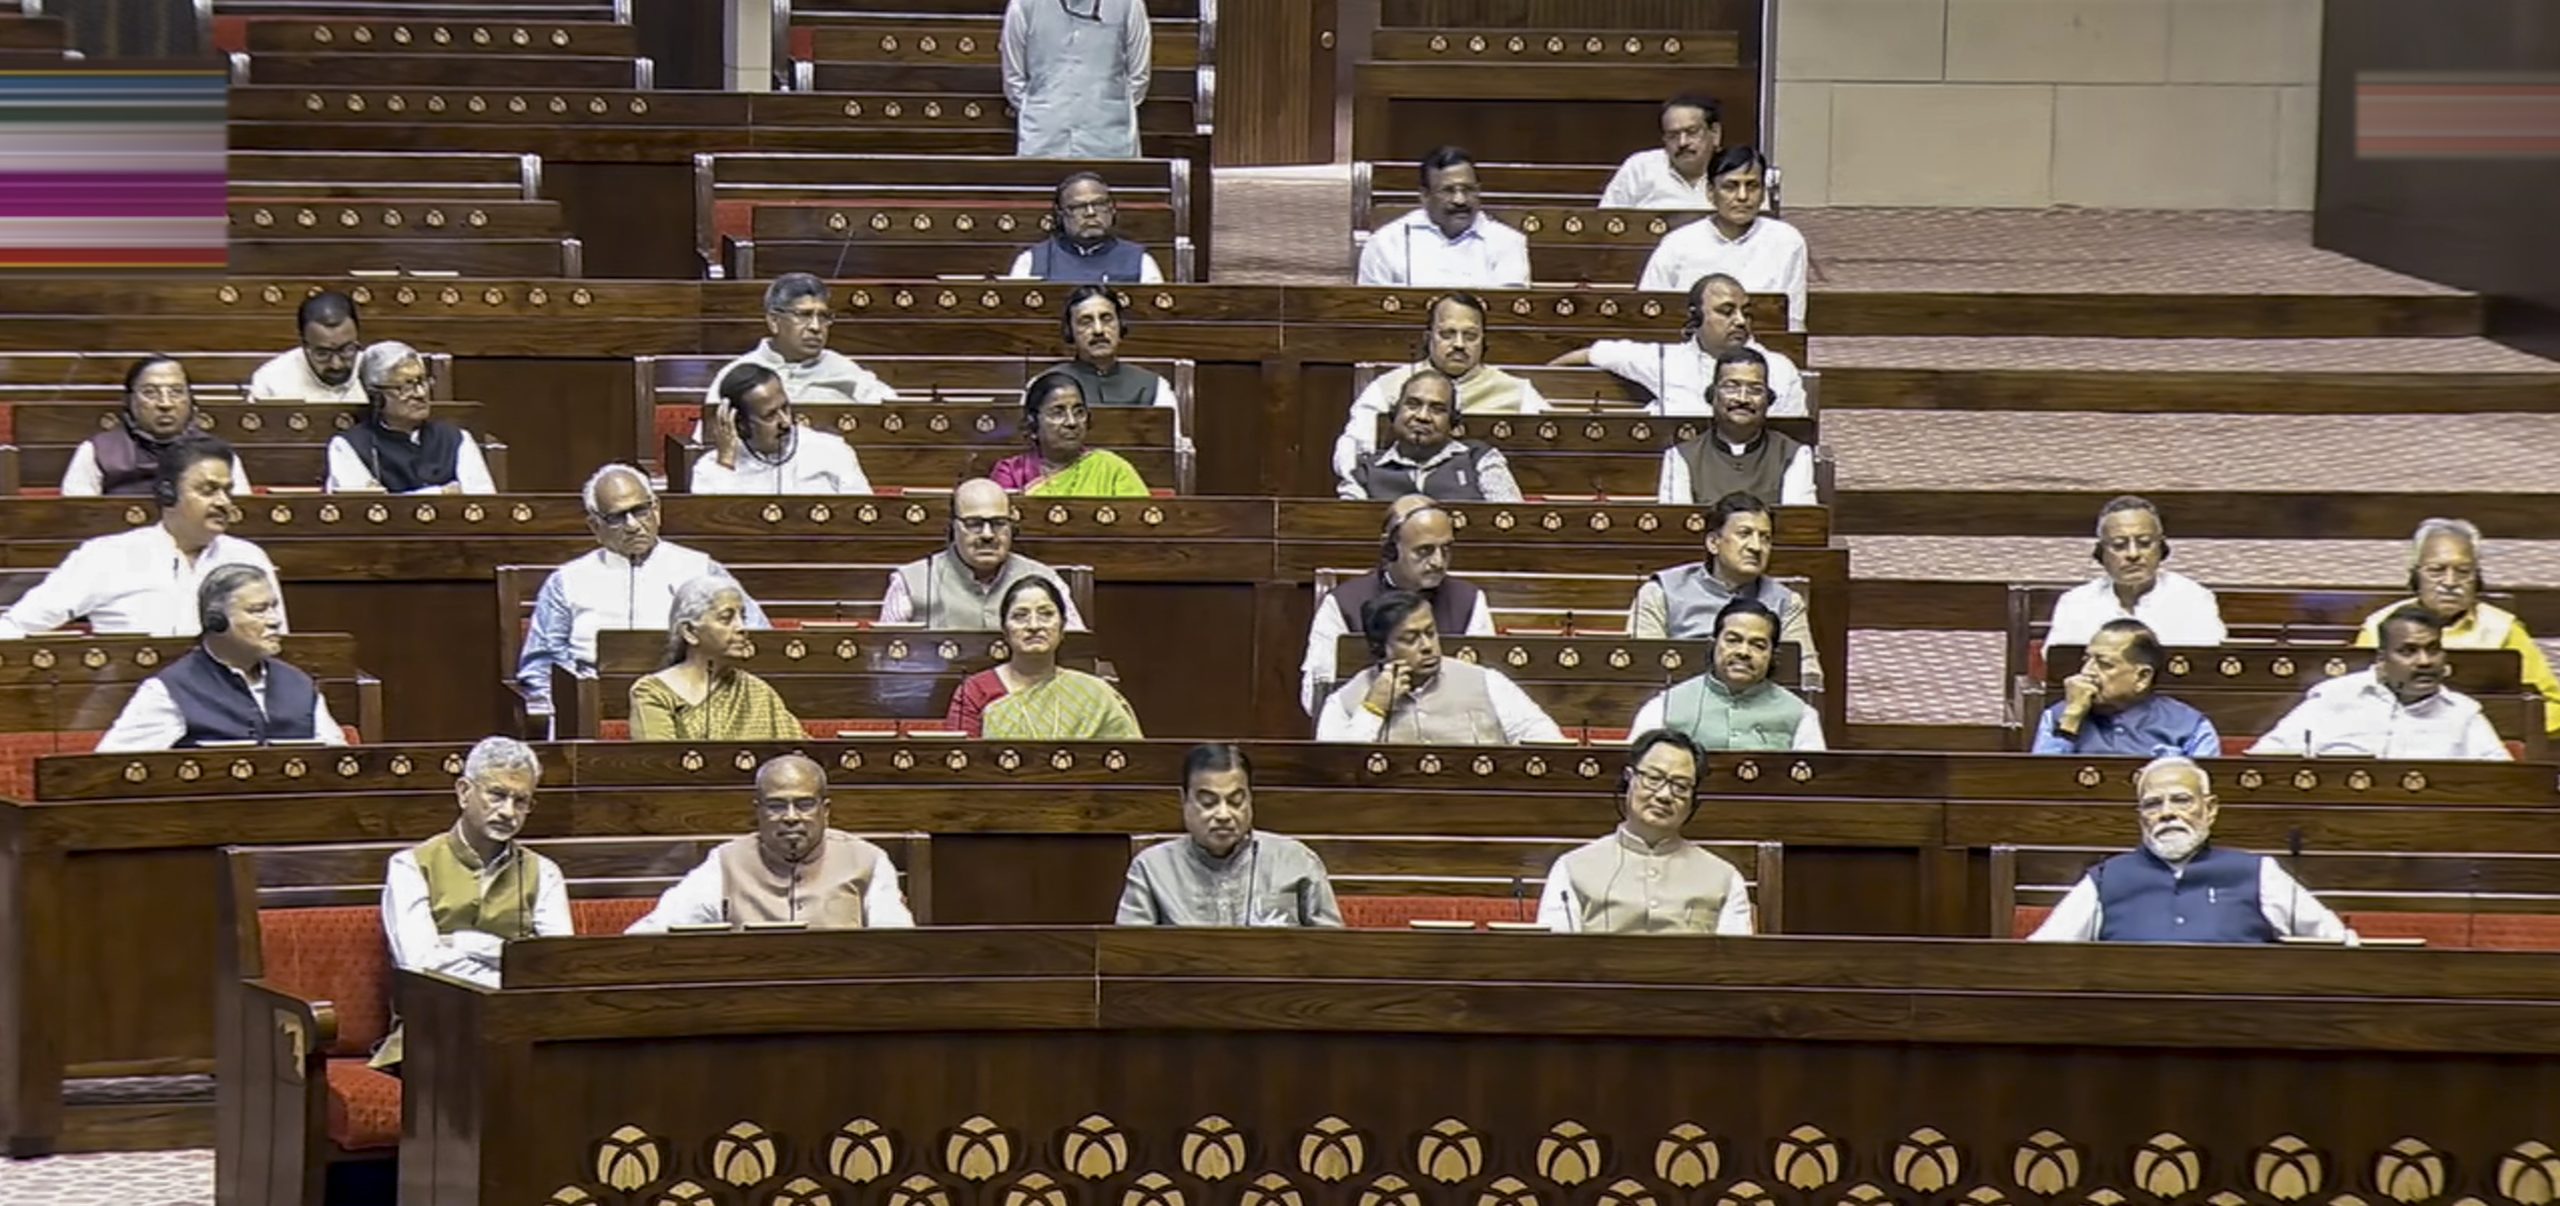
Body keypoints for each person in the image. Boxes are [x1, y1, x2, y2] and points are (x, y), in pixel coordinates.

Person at [371, 736, 571, 1067]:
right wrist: (514, 971)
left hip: (521, 1034)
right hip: (433, 1035)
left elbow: (556, 967)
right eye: (497, 795)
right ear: (464, 792)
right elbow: (422, 966)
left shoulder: (544, 873)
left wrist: (464, 944)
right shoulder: (410, 866)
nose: (508, 812)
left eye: (520, 801)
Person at [515, 464, 768, 714]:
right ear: (595, 526)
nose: (632, 525)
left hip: (694, 703)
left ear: (656, 509)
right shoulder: (567, 580)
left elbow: (757, 637)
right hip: (592, 706)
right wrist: (570, 708)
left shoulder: (701, 570)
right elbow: (541, 665)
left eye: (640, 510)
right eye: (617, 517)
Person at [2028, 756, 2353, 943]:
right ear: (2140, 818)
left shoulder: (2257, 872)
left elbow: (2335, 943)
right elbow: (2043, 954)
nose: (2167, 813)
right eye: (2153, 804)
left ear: (2210, 809)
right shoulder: (2105, 879)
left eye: (2181, 800)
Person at [2, 436, 281, 639]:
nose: (223, 502)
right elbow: (15, 625)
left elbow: (276, 643)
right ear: (167, 493)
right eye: (208, 490)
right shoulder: (107, 556)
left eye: (227, 491)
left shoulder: (249, 558)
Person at [625, 753, 916, 932]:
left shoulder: (868, 860)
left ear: (825, 811)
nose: (791, 817)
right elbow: (650, 935)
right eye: (776, 806)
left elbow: (897, 946)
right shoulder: (726, 861)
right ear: (758, 811)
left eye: (804, 805)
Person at [94, 565, 342, 751]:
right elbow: (113, 769)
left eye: (273, 607)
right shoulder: (172, 689)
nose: (275, 620)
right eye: (258, 610)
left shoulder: (298, 684)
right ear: (216, 621)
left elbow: (338, 762)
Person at [2354, 518, 2560, 734]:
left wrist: (2495, 729)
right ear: (2415, 576)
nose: (2450, 582)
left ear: (2477, 578)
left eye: (2463, 571)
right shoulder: (2381, 626)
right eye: (2436, 570)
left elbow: (2553, 705)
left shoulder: (2502, 630)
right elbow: (2353, 701)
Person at [1538, 730, 1754, 934]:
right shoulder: (1572, 868)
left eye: (1680, 786)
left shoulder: (1725, 878)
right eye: (1653, 778)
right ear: (1629, 778)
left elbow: (1738, 958)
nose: (1664, 795)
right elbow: (1553, 954)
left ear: (1694, 800)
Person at [1300, 496, 1496, 714]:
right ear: (1390, 550)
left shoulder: (1468, 600)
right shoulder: (1343, 603)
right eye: (1424, 550)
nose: (1438, 562)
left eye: (1446, 549)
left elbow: (1489, 689)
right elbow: (1314, 697)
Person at [1116, 743, 1343, 927]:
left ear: (1250, 800)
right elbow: (1127, 956)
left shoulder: (1296, 861)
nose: (1223, 815)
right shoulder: (1151, 869)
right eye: (1208, 802)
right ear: (1184, 801)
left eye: (1235, 801)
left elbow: (1334, 952)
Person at [1330, 292, 1548, 482]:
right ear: (1428, 338)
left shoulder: (1517, 392)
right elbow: (1350, 451)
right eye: (1447, 334)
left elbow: (1553, 454)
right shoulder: (1388, 387)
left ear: (1483, 341)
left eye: (1470, 336)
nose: (1459, 344)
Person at [2248, 606, 2511, 760]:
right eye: (2408, 651)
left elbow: (2504, 785)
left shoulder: (2463, 714)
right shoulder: (2333, 698)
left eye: (2433, 650)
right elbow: (2266, 759)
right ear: (2382, 659)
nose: (2425, 661)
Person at [1317, 590, 1564, 743]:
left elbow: (1546, 741)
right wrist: (1372, 710)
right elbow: (1335, 772)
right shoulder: (1345, 701)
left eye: (1430, 633)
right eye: (1410, 639)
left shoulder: (1487, 682)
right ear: (1380, 648)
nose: (1427, 646)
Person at [1547, 274, 1807, 417]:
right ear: (1696, 317)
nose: (1740, 321)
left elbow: (1796, 439)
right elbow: (1594, 353)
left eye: (1745, 312)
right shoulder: (1664, 360)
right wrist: (1543, 379)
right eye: (1726, 312)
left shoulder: (1779, 368)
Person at [1628, 491, 1821, 682]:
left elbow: (1808, 677)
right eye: (1744, 534)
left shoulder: (1786, 602)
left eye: (1765, 537)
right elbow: (1643, 671)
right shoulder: (1661, 592)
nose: (1756, 546)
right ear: (1713, 542)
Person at [944, 576, 1143, 738]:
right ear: (1005, 630)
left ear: (1062, 627)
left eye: (1046, 614)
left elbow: (1125, 760)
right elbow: (960, 761)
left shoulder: (1094, 694)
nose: (1034, 625)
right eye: (1020, 616)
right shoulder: (975, 691)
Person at [1636, 147, 1809, 331]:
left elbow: (1793, 320)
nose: (1742, 196)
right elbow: (1650, 309)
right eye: (1730, 187)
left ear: (1763, 192)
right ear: (1710, 192)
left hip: (1762, 345)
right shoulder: (1677, 243)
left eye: (1752, 186)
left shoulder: (1787, 241)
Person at [881, 478, 1088, 629]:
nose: (987, 534)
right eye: (974, 524)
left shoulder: (1045, 579)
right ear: (953, 527)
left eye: (999, 523)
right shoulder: (912, 581)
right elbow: (885, 658)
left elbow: (1075, 650)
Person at [1628, 598, 1824, 751]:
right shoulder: (1665, 706)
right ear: (1713, 644)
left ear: (1773, 655)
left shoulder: (1801, 715)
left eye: (1758, 645)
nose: (1743, 652)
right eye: (1733, 640)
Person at [628, 575, 804, 741]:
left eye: (743, 617)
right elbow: (660, 759)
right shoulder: (653, 692)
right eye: (726, 618)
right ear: (689, 631)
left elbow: (799, 751)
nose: (742, 628)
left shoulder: (757, 691)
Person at [2046, 495, 2227, 647]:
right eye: (2119, 545)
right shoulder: (2076, 603)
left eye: (2145, 543)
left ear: (2162, 547)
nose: (2133, 554)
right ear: (2101, 552)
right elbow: (2060, 662)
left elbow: (2207, 661)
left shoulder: (2194, 599)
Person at [59, 356, 252, 497]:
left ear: (191, 400)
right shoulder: (97, 452)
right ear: (129, 400)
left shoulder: (218, 454)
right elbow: (76, 517)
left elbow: (241, 514)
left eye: (176, 392)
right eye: (150, 393)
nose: (165, 404)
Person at [2029, 620, 2220, 757]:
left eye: (2104, 664)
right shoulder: (2057, 716)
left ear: (2142, 677)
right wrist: (2071, 719)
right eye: (2086, 660)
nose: (2087, 672)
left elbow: (2205, 789)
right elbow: (2040, 785)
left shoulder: (2189, 726)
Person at [325, 341, 496, 494]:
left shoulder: (456, 439)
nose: (420, 394)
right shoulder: (348, 446)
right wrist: (441, 493)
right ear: (376, 396)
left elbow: (483, 505)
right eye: (405, 387)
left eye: (422, 381)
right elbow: (361, 510)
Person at [704, 274, 899, 408]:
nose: (816, 327)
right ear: (774, 321)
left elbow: (891, 410)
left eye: (823, 316)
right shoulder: (739, 372)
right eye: (804, 315)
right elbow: (711, 438)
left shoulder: (844, 369)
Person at [1656, 347, 1814, 507]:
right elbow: (1677, 519)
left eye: (1755, 390)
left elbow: (1797, 519)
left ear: (1768, 400)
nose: (1742, 399)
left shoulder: (1794, 455)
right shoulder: (1680, 457)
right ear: (1712, 396)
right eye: (1731, 387)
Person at [1335, 368, 1522, 502]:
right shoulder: (1364, 474)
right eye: (1413, 405)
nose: (1423, 416)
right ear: (1394, 413)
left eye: (1437, 409)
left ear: (1453, 422)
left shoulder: (1479, 459)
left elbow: (1510, 522)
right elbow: (1349, 531)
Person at [1356, 147, 1532, 288]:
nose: (1460, 200)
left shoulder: (1507, 243)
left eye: (1468, 190)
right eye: (1448, 191)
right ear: (1425, 196)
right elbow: (1372, 311)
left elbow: (1509, 311)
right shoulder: (1386, 243)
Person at [691, 362, 873, 495]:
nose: (786, 422)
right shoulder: (710, 469)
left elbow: (865, 520)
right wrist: (726, 462)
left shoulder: (832, 450)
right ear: (740, 423)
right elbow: (713, 527)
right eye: (770, 415)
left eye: (785, 408)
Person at [1000, 0, 1151, 159]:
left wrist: (1101, 108)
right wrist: (1045, 111)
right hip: (1044, 140)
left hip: (1110, 140)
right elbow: (1013, 80)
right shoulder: (1023, 5)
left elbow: (1139, 77)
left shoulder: (1129, 4)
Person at [988, 371, 1151, 498]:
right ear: (1033, 422)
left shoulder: (1112, 469)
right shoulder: (1012, 472)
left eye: (1079, 412)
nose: (1072, 422)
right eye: (1058, 413)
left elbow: (1140, 523)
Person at [1006, 172, 1166, 284]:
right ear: (1060, 214)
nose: (1090, 213)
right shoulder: (1031, 261)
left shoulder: (1140, 260)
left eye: (1099, 204)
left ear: (1112, 209)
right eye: (1078, 207)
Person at [1046, 284, 1176, 409]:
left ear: (1121, 325)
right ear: (1069, 330)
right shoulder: (1044, 386)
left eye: (1107, 319)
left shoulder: (1154, 387)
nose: (1098, 330)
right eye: (1085, 322)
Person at [1599, 95, 1723, 210]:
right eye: (1673, 135)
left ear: (1715, 132)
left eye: (1692, 132)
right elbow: (1607, 218)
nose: (1682, 143)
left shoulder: (1731, 170)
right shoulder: (1641, 167)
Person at [248, 289, 366, 404]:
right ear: (304, 345)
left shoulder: (374, 370)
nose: (336, 365)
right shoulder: (270, 381)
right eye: (322, 354)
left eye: (346, 350)